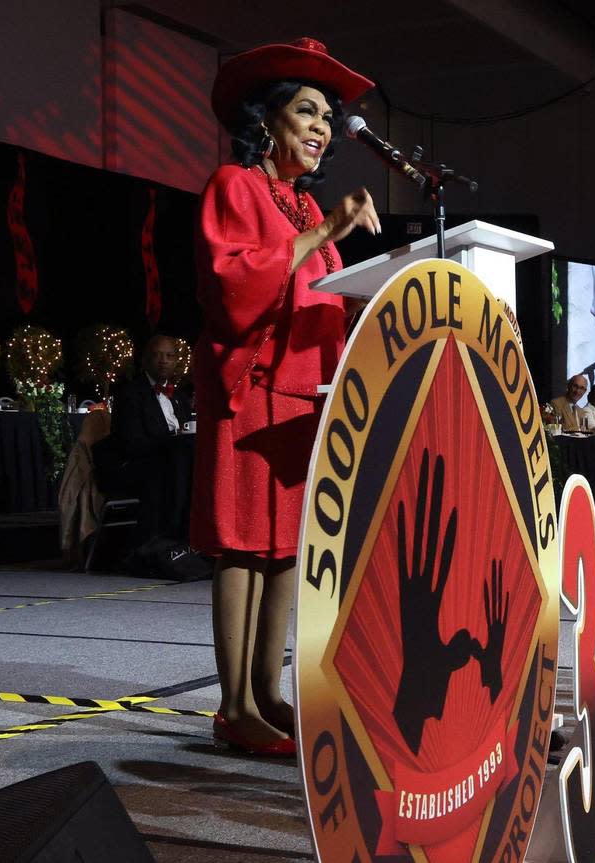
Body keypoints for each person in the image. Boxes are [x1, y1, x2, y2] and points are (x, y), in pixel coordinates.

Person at [192, 38, 379, 755]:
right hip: (252, 392)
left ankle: (268, 691)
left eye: (328, 118)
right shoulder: (235, 186)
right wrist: (323, 233)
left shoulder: (306, 208)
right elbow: (232, 285)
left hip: (304, 400)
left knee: (284, 553)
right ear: (266, 122)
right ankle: (234, 703)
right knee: (241, 547)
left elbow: (325, 303)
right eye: (307, 111)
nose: (323, 127)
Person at [98, 334, 195, 546]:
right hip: (136, 467)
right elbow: (132, 444)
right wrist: (172, 440)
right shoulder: (131, 394)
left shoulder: (180, 397)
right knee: (174, 469)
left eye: (169, 356)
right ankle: (167, 543)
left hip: (175, 464)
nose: (164, 361)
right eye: (157, 355)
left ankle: (196, 542)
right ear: (145, 360)